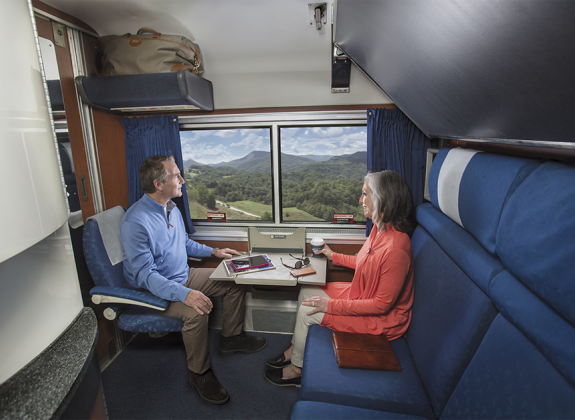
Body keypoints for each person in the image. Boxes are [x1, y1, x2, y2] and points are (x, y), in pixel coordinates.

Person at [120, 155, 267, 405]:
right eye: (176, 175)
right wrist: (185, 294)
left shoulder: (171, 208)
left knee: (234, 278)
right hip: (155, 292)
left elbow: (185, 243)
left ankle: (231, 338)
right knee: (196, 311)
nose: (182, 180)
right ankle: (199, 373)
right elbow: (145, 275)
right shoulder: (135, 222)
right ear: (158, 184)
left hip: (184, 276)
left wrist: (214, 252)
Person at [264, 170, 415, 387]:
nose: (360, 200)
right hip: (361, 295)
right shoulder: (379, 229)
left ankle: (297, 370)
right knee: (307, 290)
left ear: (383, 198)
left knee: (308, 311)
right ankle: (294, 349)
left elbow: (381, 305)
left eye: (365, 194)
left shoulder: (396, 249)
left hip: (380, 320)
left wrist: (331, 306)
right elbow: (364, 262)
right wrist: (332, 255)